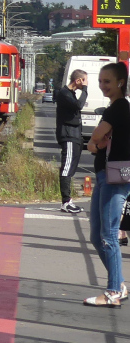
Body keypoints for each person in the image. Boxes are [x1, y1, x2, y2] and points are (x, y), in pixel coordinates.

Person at [84, 61, 130, 306]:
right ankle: (119, 284)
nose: (102, 86)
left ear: (120, 82)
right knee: (96, 234)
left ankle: (113, 291)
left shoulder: (119, 107)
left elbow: (95, 138)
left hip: (115, 178)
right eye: (100, 81)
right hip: (105, 175)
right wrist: (96, 143)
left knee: (108, 235)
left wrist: (96, 143)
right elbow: (95, 142)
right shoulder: (115, 108)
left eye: (107, 81)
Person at [55, 68, 88, 213]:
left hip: (74, 136)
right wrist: (85, 90)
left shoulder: (71, 94)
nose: (86, 84)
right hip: (68, 135)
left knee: (71, 168)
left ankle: (68, 201)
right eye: (85, 81)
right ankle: (65, 201)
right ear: (78, 80)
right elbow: (78, 105)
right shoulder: (64, 94)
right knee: (66, 168)